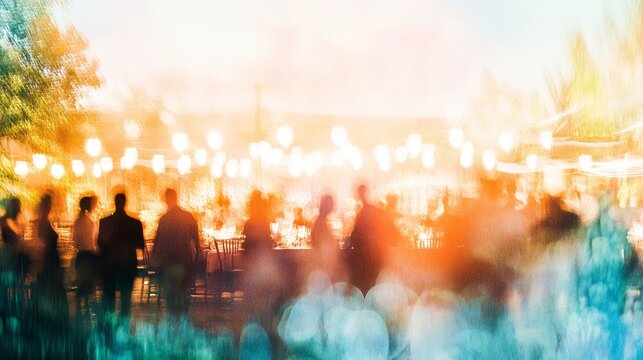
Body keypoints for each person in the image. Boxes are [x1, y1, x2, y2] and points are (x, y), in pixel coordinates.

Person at [152, 188, 201, 317]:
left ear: (167, 200)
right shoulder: (187, 217)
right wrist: (196, 258)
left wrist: (155, 258)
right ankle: (183, 318)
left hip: (168, 261)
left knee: (170, 295)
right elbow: (196, 240)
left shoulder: (164, 219)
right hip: (184, 260)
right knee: (184, 291)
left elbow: (157, 241)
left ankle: (173, 319)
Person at [345, 184, 400, 294]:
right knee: (374, 288)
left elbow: (355, 239)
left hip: (368, 261)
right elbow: (394, 233)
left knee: (368, 288)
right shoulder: (374, 212)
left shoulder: (364, 214)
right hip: (375, 260)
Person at [97, 193, 144, 319]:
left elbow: (100, 243)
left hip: (109, 265)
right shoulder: (135, 223)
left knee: (109, 296)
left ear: (115, 202)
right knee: (126, 297)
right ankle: (123, 325)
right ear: (125, 203)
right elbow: (141, 244)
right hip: (128, 264)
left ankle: (109, 325)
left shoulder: (105, 222)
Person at [34, 193, 68, 321]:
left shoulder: (43, 221)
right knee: (52, 287)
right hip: (49, 260)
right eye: (49, 205)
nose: (50, 207)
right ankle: (54, 316)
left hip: (51, 259)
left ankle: (52, 315)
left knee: (52, 288)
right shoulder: (43, 222)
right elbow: (43, 244)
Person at [72, 196, 99, 311]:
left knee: (82, 281)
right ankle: (86, 305)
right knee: (88, 282)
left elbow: (75, 241)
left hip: (82, 254)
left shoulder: (78, 220)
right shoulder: (88, 221)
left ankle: (80, 306)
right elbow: (93, 239)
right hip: (89, 254)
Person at [311, 194, 343, 281]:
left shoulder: (321, 221)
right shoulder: (321, 222)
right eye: (331, 204)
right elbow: (323, 244)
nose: (333, 206)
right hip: (323, 266)